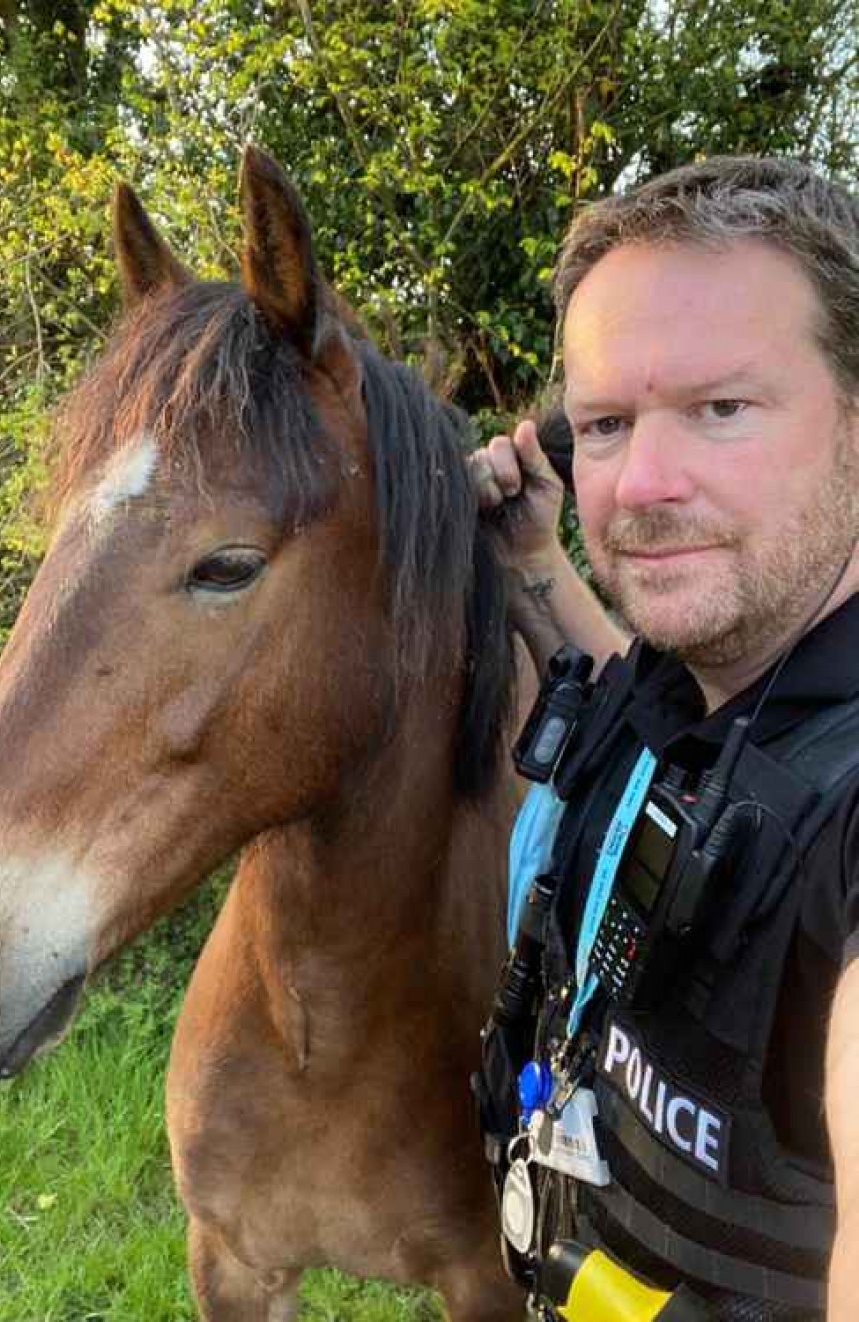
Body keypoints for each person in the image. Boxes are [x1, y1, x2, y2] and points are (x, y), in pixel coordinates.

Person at [470, 156, 859, 1321]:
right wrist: (539, 561)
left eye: (721, 408)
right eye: (604, 423)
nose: (640, 484)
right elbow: (655, 721)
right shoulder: (701, 660)